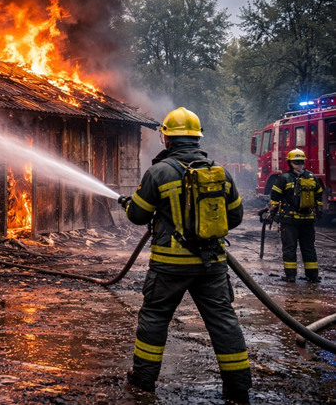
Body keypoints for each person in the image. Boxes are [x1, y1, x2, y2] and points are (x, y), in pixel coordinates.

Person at [119, 107, 251, 404]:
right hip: (212, 265)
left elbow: (138, 215)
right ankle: (238, 388)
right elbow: (236, 217)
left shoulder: (158, 172)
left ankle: (144, 381)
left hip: (170, 265)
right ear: (196, 138)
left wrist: (128, 204)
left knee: (155, 317)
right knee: (223, 322)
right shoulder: (220, 173)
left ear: (167, 139)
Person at [268, 148, 324, 283]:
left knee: (289, 248)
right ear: (303, 162)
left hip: (290, 220)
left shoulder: (284, 178)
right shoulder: (312, 177)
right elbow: (319, 196)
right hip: (308, 220)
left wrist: (272, 213)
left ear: (289, 162)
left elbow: (275, 198)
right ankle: (312, 276)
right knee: (309, 248)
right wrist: (318, 212)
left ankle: (290, 276)